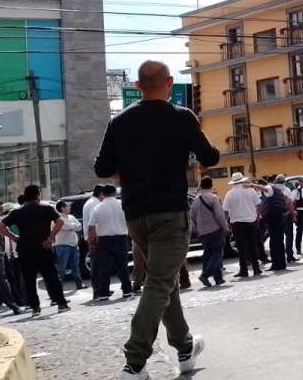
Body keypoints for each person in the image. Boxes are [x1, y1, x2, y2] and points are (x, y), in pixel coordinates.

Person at [93, 60, 218, 380]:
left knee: (165, 282)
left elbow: (101, 168)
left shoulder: (119, 121)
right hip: (169, 213)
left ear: (137, 85)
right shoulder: (182, 117)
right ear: (169, 83)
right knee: (159, 283)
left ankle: (185, 345)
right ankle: (135, 361)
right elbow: (210, 157)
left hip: (135, 214)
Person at [0, 185, 71, 316]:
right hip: (43, 247)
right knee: (52, 277)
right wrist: (50, 237)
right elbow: (60, 222)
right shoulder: (46, 208)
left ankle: (35, 307)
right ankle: (61, 304)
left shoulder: (17, 212)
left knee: (29, 280)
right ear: (38, 195)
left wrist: (13, 237)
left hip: (25, 249)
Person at [87, 184, 134, 302]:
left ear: (103, 193)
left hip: (104, 240)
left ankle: (103, 293)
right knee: (123, 266)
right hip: (121, 238)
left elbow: (91, 227)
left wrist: (92, 243)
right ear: (115, 192)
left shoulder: (98, 207)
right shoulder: (122, 204)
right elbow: (130, 220)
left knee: (104, 268)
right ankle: (127, 291)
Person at [190, 177, 229, 287]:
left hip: (203, 232)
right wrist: (225, 227)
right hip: (215, 229)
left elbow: (192, 217)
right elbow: (219, 215)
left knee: (209, 254)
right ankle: (205, 274)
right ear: (211, 185)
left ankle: (218, 279)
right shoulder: (213, 198)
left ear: (201, 186)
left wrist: (196, 230)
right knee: (217, 254)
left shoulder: (195, 201)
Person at [223, 173, 263, 278]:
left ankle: (244, 270)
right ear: (242, 180)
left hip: (236, 223)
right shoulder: (251, 191)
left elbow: (226, 210)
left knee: (241, 247)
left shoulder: (229, 194)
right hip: (251, 220)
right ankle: (256, 268)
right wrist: (257, 217)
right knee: (252, 245)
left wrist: (226, 222)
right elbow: (258, 205)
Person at [53, 200, 84, 290]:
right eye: (67, 206)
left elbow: (79, 226)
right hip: (62, 246)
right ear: (62, 208)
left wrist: (72, 227)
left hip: (73, 244)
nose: (69, 207)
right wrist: (72, 227)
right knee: (61, 268)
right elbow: (66, 227)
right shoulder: (58, 218)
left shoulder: (71, 216)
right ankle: (58, 288)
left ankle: (79, 284)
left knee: (75, 266)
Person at [258, 180, 288, 272]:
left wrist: (252, 185)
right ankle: (281, 263)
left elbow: (264, 188)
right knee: (279, 241)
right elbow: (287, 199)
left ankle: (276, 264)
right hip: (278, 217)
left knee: (274, 242)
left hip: (273, 219)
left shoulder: (269, 188)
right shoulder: (277, 190)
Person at [82, 184, 105, 289]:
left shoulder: (90, 202)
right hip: (95, 238)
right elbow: (93, 223)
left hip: (92, 238)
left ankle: (100, 289)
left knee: (97, 265)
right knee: (97, 266)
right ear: (101, 193)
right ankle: (98, 290)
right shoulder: (94, 203)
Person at [272, 175, 298, 263]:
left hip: (275, 216)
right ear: (284, 181)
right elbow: (289, 202)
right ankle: (289, 255)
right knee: (289, 236)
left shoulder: (273, 189)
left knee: (279, 237)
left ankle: (280, 256)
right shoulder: (286, 189)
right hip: (286, 215)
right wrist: (293, 213)